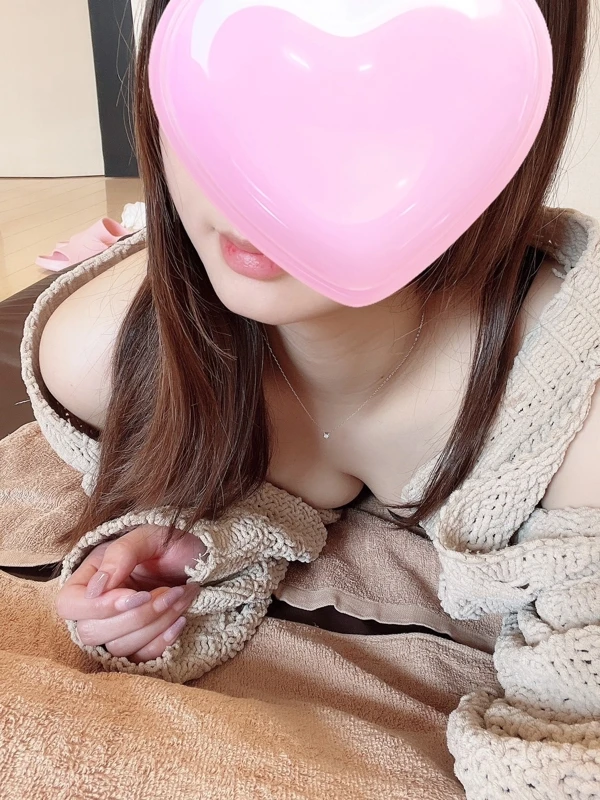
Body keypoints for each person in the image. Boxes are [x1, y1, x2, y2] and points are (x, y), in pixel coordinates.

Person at [39, 1, 596, 677]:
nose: (262, 181)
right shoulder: (99, 357)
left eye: (383, 99)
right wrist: (187, 534)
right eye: (243, 69)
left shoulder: (573, 411)